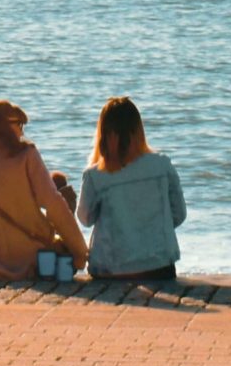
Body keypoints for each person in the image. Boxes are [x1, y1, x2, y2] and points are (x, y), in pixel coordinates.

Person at [0, 99, 86, 283]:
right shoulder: (26, 156)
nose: (22, 132)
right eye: (19, 124)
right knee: (61, 189)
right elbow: (54, 205)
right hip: (35, 260)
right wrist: (80, 252)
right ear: (3, 126)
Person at [76, 95, 185, 281]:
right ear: (138, 130)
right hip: (159, 264)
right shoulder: (162, 165)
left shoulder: (95, 175)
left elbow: (85, 219)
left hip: (111, 268)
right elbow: (179, 214)